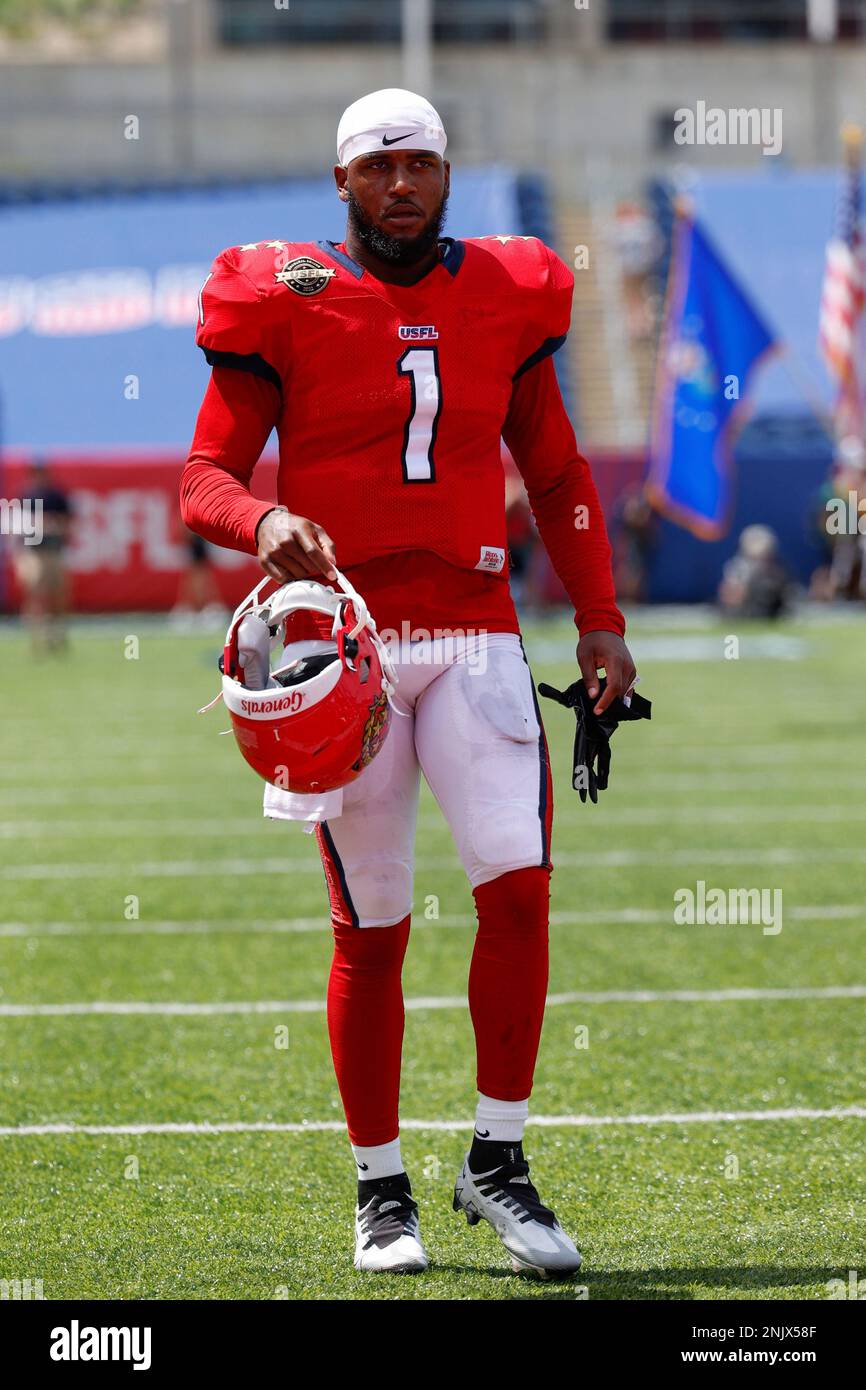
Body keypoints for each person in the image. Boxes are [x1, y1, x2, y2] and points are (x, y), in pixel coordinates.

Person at [181, 89, 636, 1279]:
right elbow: (202, 475)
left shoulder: (509, 289)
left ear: (447, 174)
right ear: (342, 184)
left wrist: (597, 617)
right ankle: (381, 1190)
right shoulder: (285, 296)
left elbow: (556, 467)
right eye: (379, 167)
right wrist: (262, 512)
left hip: (479, 627)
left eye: (421, 164)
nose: (402, 185)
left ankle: (497, 1161)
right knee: (371, 924)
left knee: (520, 894)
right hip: (352, 644)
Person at [13, 460, 73, 653]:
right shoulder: (26, 497)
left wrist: (53, 524)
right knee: (35, 593)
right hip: (33, 552)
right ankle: (37, 638)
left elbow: (68, 521)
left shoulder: (56, 496)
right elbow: (17, 526)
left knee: (58, 595)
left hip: (54, 552)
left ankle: (57, 634)